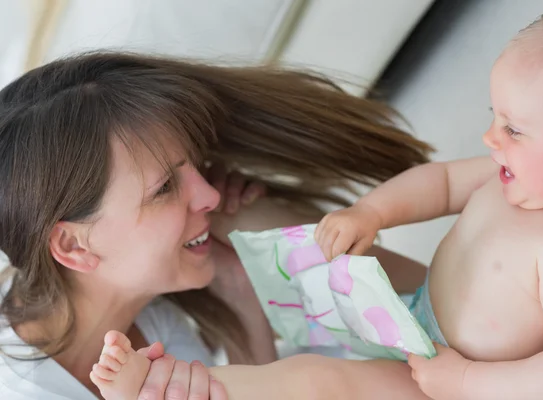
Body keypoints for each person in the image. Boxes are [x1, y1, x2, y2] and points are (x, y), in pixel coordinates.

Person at [0, 51, 432, 399]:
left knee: (245, 217)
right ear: (74, 247)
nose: (208, 193)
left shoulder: (147, 324)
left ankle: (456, 322)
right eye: (165, 186)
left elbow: (256, 385)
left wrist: (239, 291)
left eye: (194, 166)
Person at [316, 0, 543, 399]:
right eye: (494, 116)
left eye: (514, 129)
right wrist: (371, 212)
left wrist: (465, 381)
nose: (491, 137)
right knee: (326, 264)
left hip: (454, 385)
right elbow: (443, 183)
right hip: (415, 319)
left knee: (315, 379)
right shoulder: (510, 175)